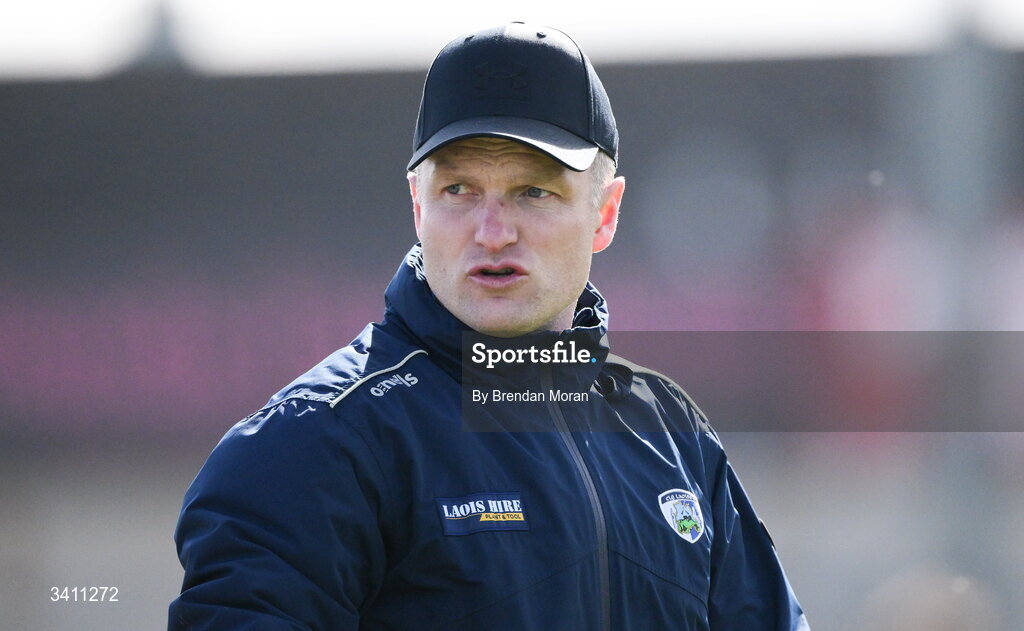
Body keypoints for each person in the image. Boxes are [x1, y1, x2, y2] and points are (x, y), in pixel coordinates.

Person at [169, 22, 809, 630]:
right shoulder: (317, 441)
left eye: (534, 192)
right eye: (459, 190)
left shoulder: (672, 437)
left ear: (604, 213)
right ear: (418, 205)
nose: (493, 232)